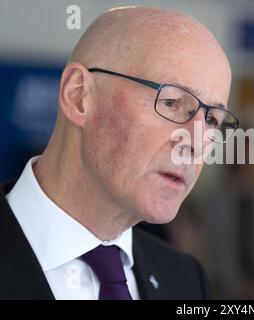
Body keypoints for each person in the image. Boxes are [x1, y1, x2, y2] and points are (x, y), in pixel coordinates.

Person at [0, 6, 237, 299]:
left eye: (212, 119)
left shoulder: (186, 279)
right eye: (173, 102)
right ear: (79, 96)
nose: (198, 142)